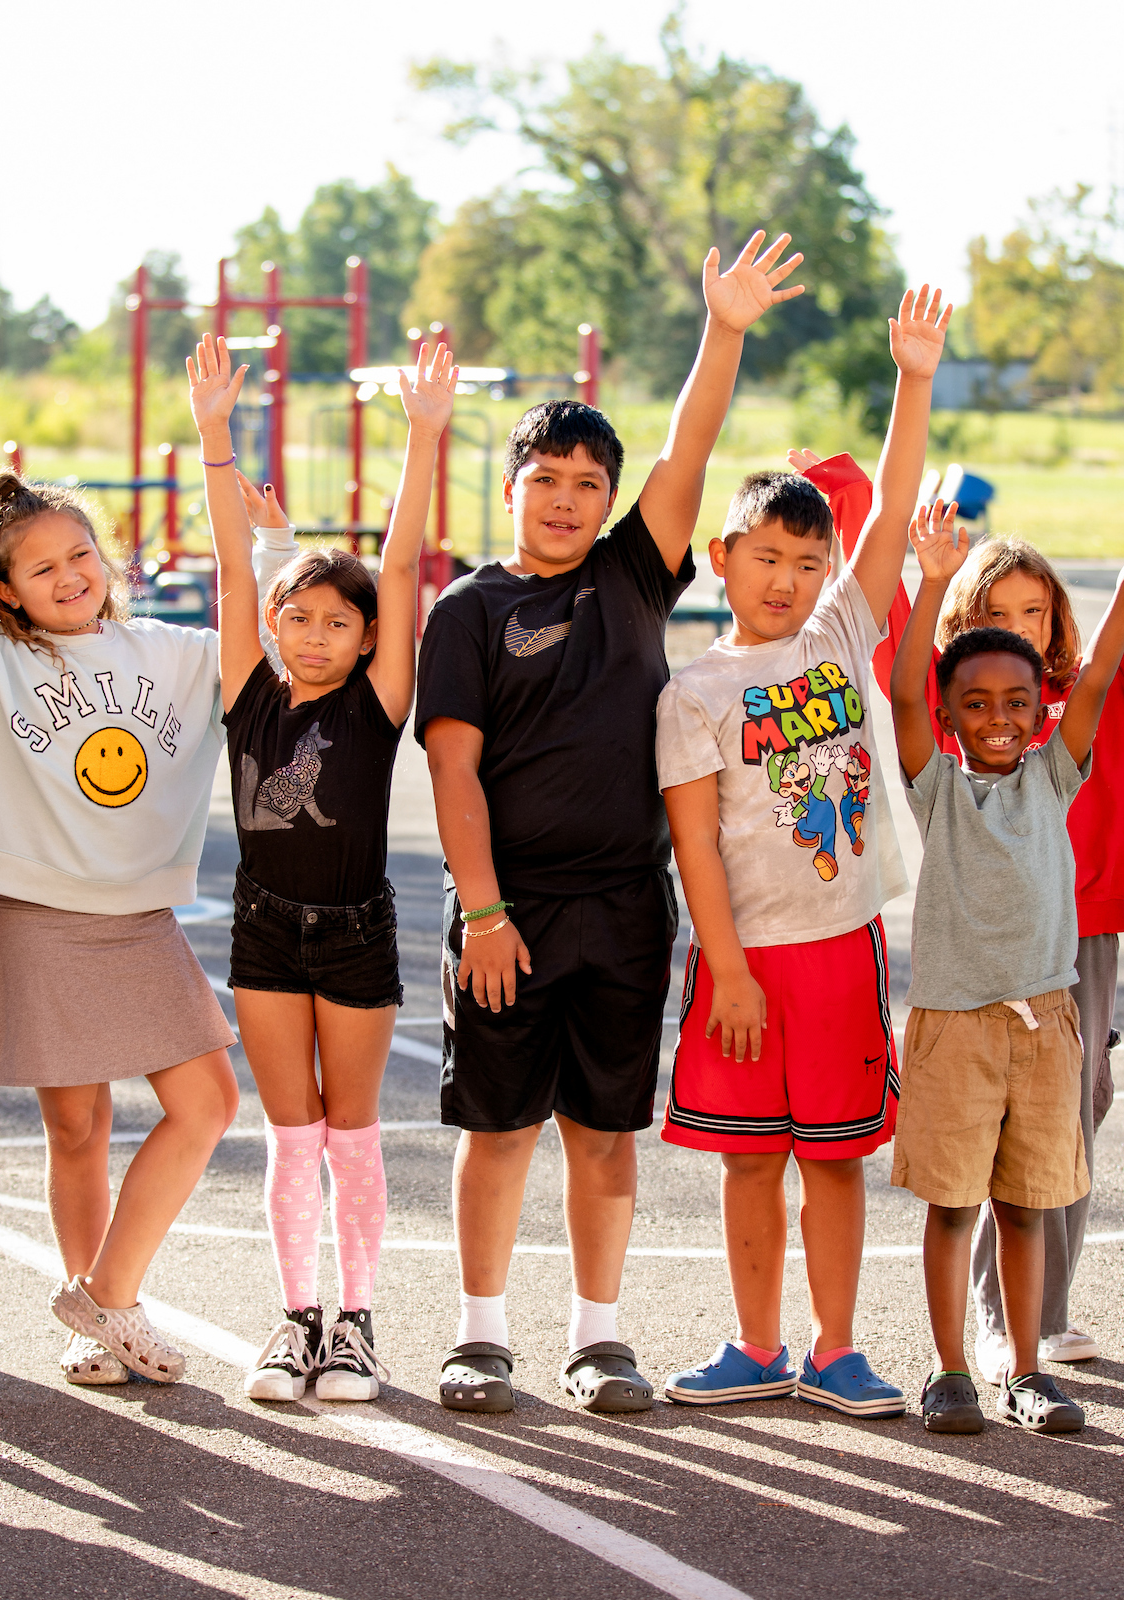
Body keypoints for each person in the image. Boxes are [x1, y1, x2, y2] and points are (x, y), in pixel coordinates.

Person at [416, 229, 808, 1416]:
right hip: (508, 914)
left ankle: (598, 1337)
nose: (571, 499)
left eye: (590, 482)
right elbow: (452, 772)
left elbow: (690, 441)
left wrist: (723, 328)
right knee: (498, 1130)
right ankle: (481, 1335)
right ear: (511, 488)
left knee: (601, 1130)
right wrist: (482, 910)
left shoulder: (637, 573)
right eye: (549, 480)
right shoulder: (469, 613)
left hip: (626, 909)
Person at [0, 394, 285, 1384]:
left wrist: (259, 525)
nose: (68, 576)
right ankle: (93, 1312)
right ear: (7, 592)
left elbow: (257, 629)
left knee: (208, 1101)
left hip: (137, 921)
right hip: (37, 917)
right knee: (77, 1125)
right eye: (41, 566)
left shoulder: (169, 655)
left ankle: (105, 1293)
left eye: (80, 555)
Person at [871, 431, 1124, 1382]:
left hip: (1079, 933)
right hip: (975, 974)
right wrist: (923, 571)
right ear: (970, 633)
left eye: (1035, 609)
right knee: (984, 1147)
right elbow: (905, 684)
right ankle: (996, 1328)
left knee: (1074, 1110)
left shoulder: (1090, 707)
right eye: (998, 610)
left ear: (1055, 621)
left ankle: (1038, 1317)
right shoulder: (965, 729)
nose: (1020, 623)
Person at [651, 287, 951, 1417]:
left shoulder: (837, 634)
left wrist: (912, 378)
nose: (787, 578)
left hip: (841, 949)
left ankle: (836, 1350)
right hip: (746, 957)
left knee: (835, 1159)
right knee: (748, 1163)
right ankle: (755, 1344)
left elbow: (888, 521)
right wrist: (724, 968)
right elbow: (694, 845)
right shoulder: (694, 691)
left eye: (806, 559)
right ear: (723, 557)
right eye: (766, 556)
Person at [888, 494, 1124, 1434]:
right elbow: (900, 695)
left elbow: (1097, 677)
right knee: (951, 1208)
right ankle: (948, 1369)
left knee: (1026, 1204)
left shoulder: (1056, 772)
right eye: (974, 704)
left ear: (1039, 709)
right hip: (954, 1026)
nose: (999, 718)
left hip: (1047, 1025)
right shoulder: (935, 784)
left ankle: (1025, 1369)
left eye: (1017, 702)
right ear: (948, 713)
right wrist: (934, 578)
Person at [187, 334, 447, 1403]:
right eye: (296, 616)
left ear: (367, 640)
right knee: (289, 1133)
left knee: (352, 1128)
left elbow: (396, 568)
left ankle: (360, 1325)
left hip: (354, 929)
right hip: (261, 927)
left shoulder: (374, 708)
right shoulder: (248, 687)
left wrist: (422, 438)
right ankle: (297, 1320)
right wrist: (211, 434)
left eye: (338, 624)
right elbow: (230, 562)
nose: (310, 634)